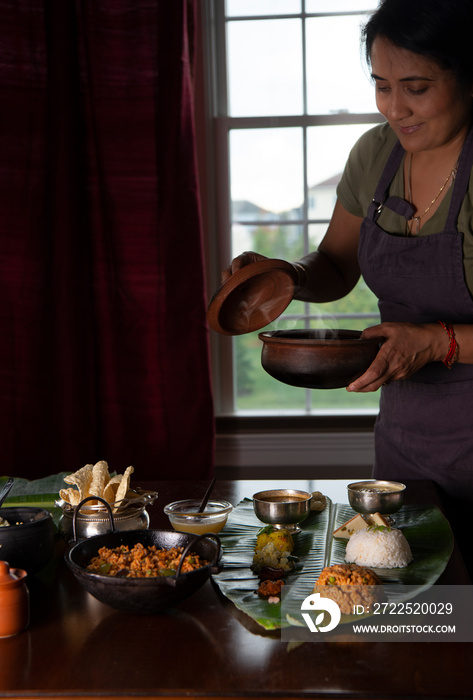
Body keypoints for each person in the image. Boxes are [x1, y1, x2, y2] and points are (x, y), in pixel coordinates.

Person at [222, 0, 473, 576]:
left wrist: (436, 343)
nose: (394, 108)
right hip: (407, 435)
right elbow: (335, 265)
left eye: (415, 87)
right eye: (381, 85)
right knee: (414, 605)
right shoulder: (376, 154)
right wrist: (285, 276)